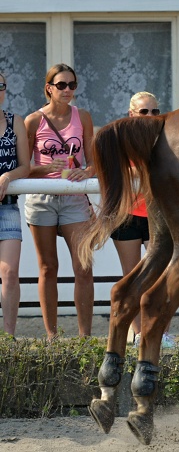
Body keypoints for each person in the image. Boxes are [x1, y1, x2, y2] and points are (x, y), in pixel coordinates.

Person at [24, 64, 95, 340]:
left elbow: (94, 161)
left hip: (74, 198)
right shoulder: (33, 121)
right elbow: (23, 166)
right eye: (62, 84)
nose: (68, 90)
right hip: (41, 197)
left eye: (72, 85)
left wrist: (86, 172)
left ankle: (85, 337)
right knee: (48, 267)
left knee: (83, 267)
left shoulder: (83, 117)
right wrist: (44, 168)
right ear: (48, 88)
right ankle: (52, 336)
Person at [109, 91, 176, 348]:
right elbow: (115, 168)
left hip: (157, 214)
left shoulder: (164, 136)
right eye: (144, 111)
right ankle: (137, 335)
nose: (150, 116)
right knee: (132, 277)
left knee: (163, 277)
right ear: (131, 114)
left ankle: (162, 333)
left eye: (155, 111)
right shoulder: (120, 137)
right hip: (127, 215)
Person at [0, 71, 32, 337]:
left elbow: (26, 166)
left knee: (9, 273)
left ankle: (8, 337)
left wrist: (8, 175)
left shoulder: (15, 122)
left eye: (0, 85)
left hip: (7, 207)